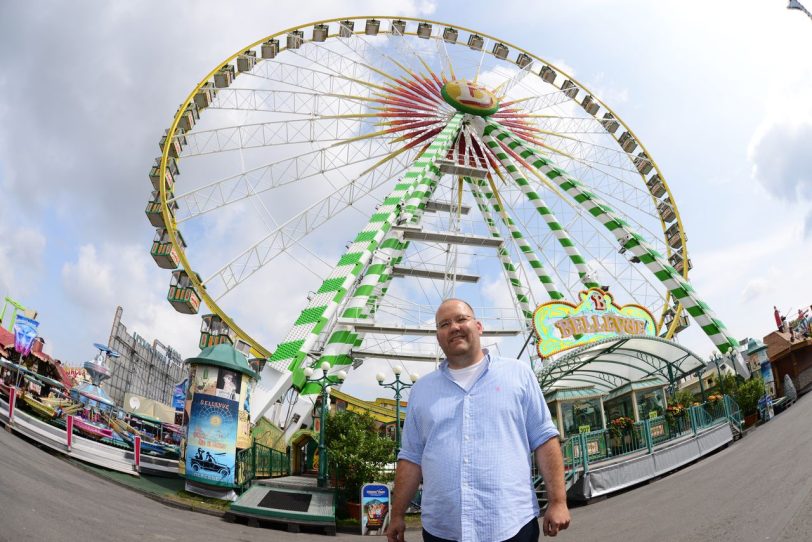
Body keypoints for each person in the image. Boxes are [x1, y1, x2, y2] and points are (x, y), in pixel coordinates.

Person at [387, 299, 570, 542]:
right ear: (438, 336)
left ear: (479, 326)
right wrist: (397, 513)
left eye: (461, 319)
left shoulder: (518, 374)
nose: (454, 327)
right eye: (444, 324)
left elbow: (544, 438)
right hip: (443, 529)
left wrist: (558, 501)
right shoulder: (421, 390)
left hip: (511, 524)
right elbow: (411, 457)